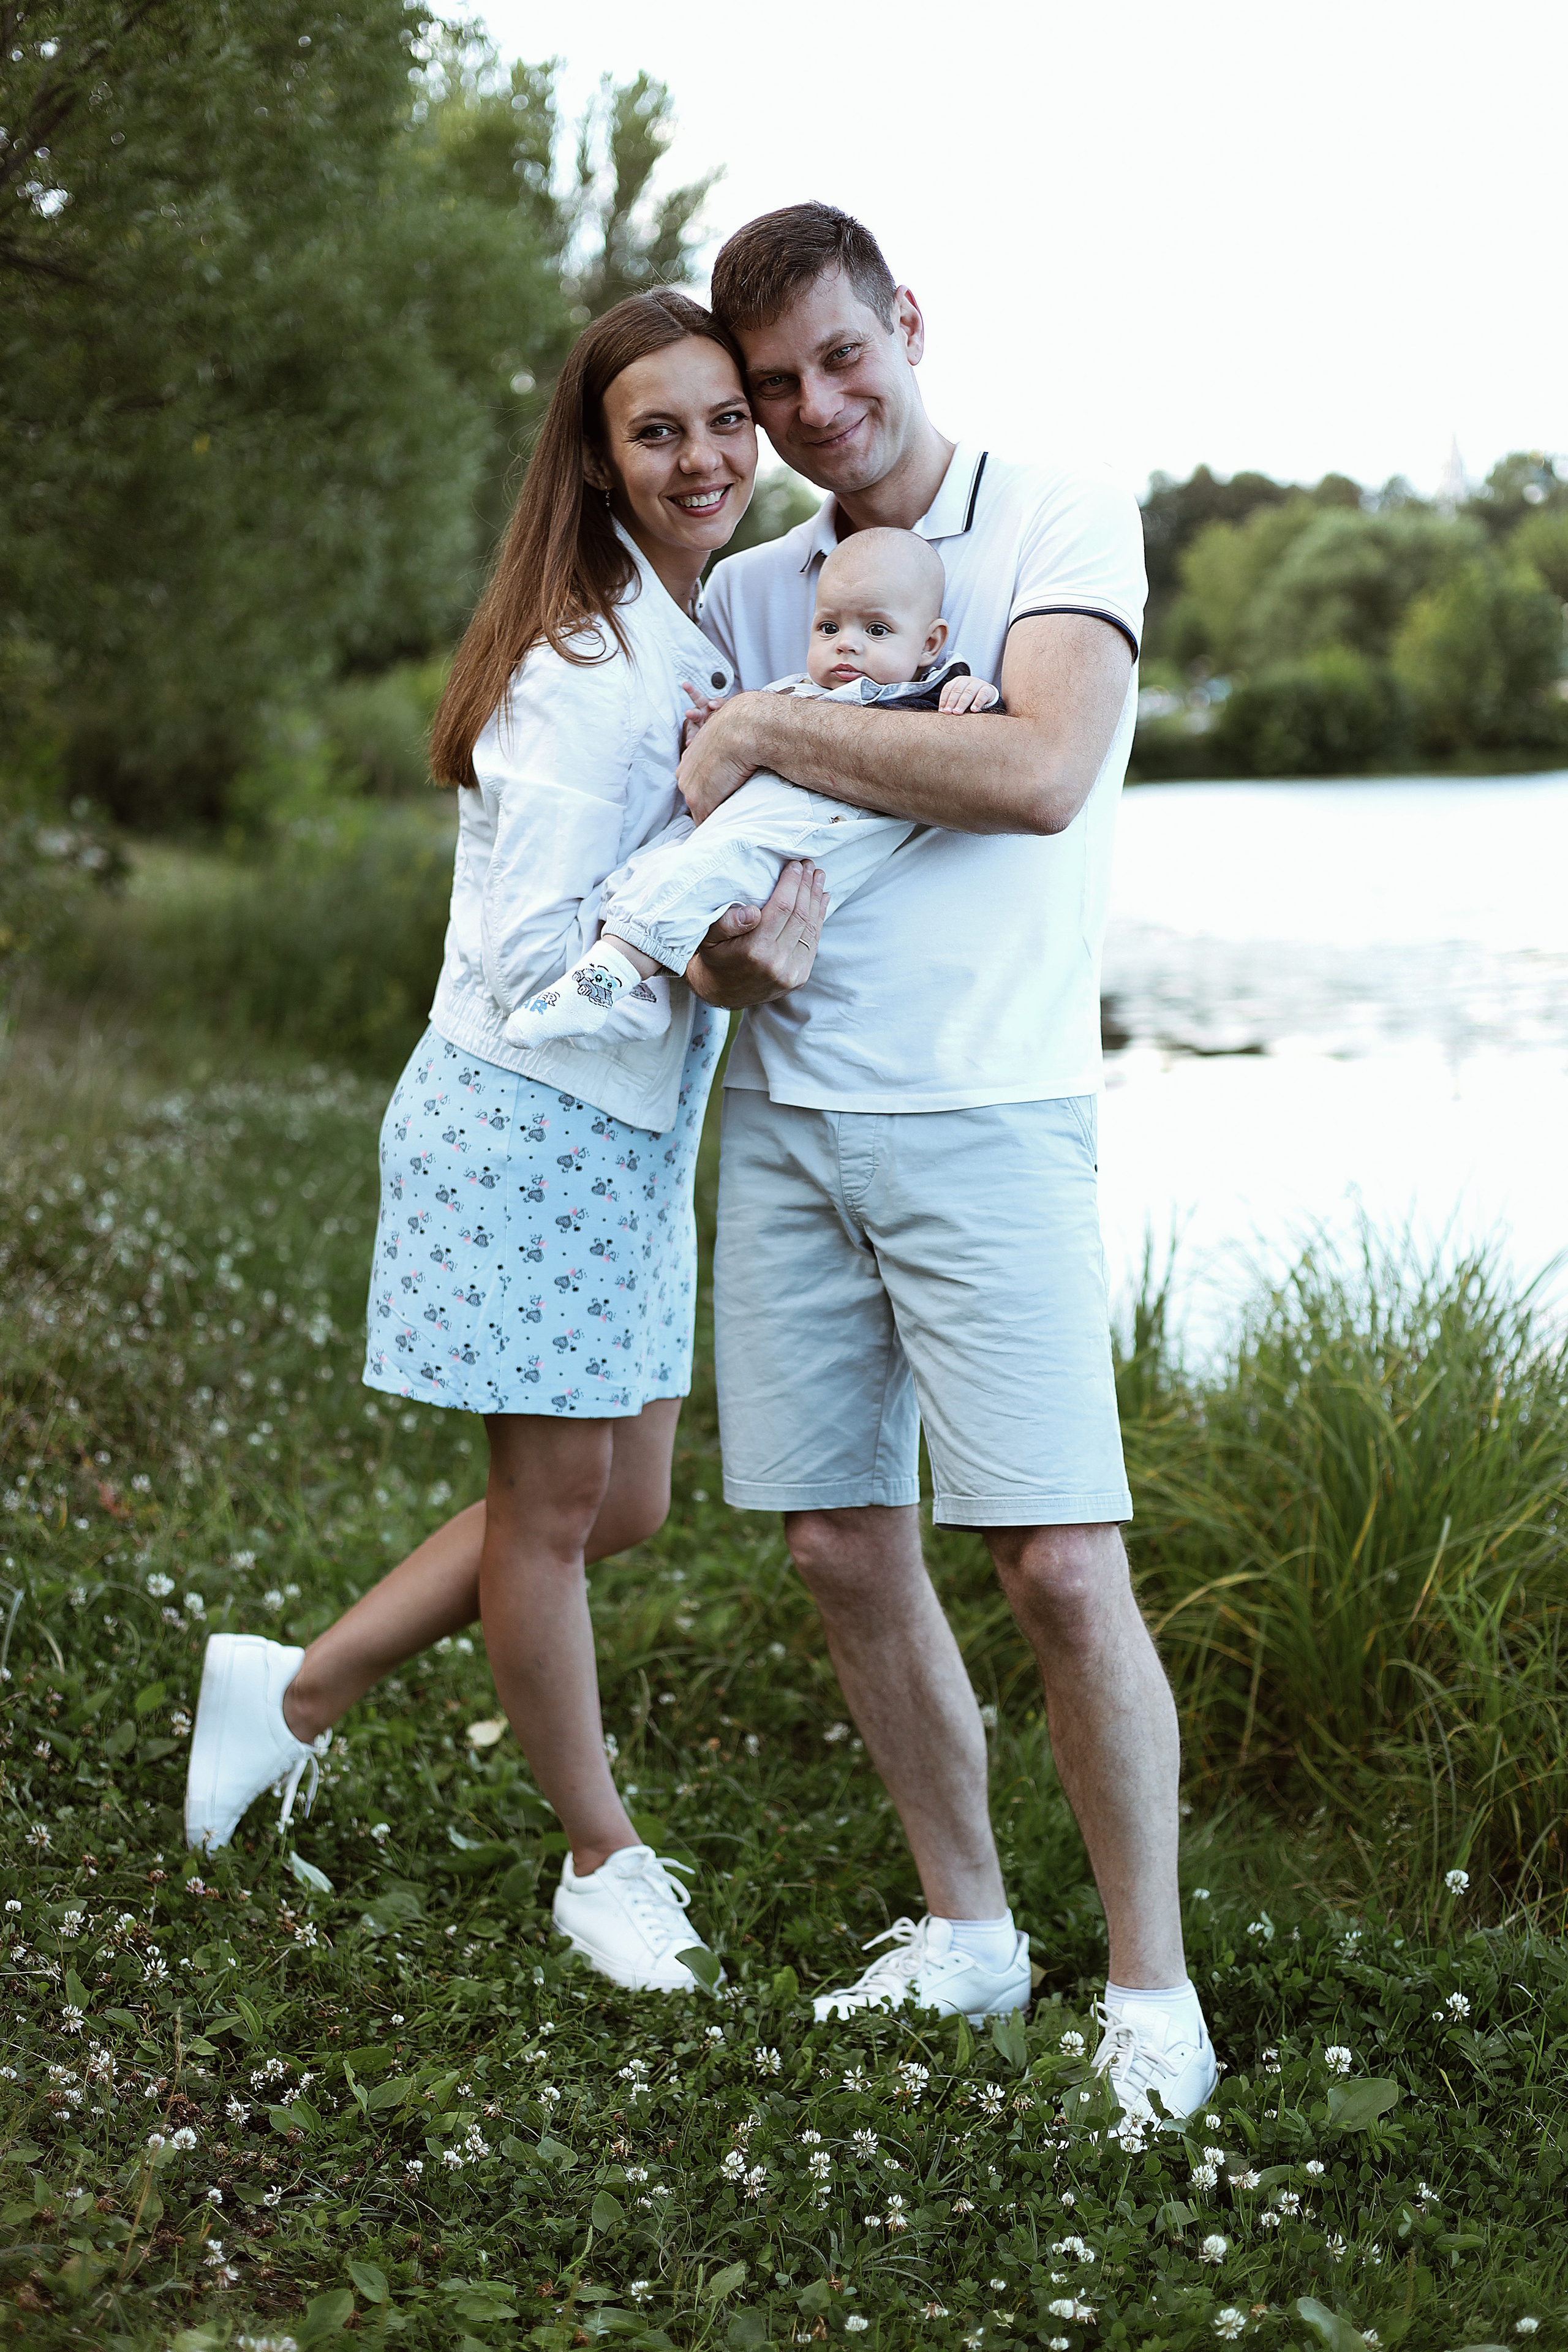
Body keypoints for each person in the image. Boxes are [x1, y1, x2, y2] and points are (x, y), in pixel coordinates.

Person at [183, 288, 827, 1996]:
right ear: (599, 463)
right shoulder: (584, 673)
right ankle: (603, 1863)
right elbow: (542, 960)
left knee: (625, 1503)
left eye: (723, 420)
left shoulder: (692, 643)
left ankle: (295, 1690)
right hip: (529, 1123)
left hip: (626, 1137)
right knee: (549, 1516)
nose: (704, 457)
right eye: (656, 431)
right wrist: (711, 946)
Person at [684, 202, 1218, 2121]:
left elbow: (1039, 771)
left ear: (905, 322)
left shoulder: (1056, 516)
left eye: (842, 357)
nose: (818, 407)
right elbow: (710, 868)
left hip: (992, 1115)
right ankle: (970, 1929)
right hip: (787, 1119)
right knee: (840, 1541)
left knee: (1059, 1563)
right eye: (774, 387)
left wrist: (775, 729)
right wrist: (728, 957)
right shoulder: (751, 592)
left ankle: (1152, 1993)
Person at [506, 526, 997, 1048]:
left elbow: (983, 741)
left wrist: (974, 692)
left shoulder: (924, 694)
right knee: (647, 867)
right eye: (829, 627)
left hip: (796, 842)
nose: (847, 643)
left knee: (700, 875)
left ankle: (598, 983)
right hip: (742, 825)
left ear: (929, 643)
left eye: (877, 630)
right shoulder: (798, 691)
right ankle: (636, 994)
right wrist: (711, 731)